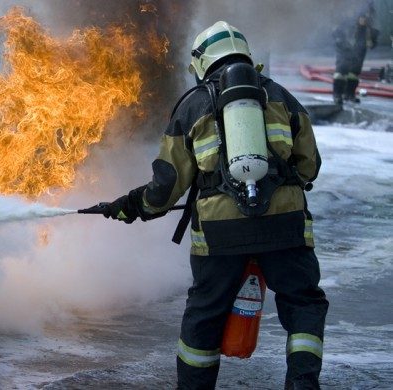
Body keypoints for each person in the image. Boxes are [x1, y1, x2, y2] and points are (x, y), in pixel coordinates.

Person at [102, 21, 329, 389]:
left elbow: (165, 189)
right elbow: (310, 166)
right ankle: (303, 383)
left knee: (204, 316)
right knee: (303, 304)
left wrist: (131, 205)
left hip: (220, 234)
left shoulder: (191, 106)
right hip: (285, 226)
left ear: (201, 63)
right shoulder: (283, 97)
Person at [332, 2, 379, 104]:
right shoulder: (347, 10)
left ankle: (349, 94)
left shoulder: (369, 6)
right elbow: (338, 24)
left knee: (354, 72)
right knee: (341, 70)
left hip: (360, 44)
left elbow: (373, 23)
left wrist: (372, 40)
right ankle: (337, 95)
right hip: (345, 42)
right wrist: (340, 40)